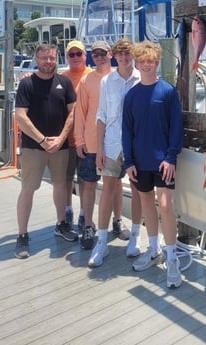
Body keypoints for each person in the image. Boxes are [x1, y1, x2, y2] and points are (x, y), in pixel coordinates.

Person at [122, 40, 184, 288]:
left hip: (163, 162)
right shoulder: (131, 95)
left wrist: (171, 157)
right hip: (139, 161)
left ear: (157, 63)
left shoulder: (168, 92)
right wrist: (129, 161)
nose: (147, 64)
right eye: (143, 61)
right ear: (137, 63)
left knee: (166, 206)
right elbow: (127, 131)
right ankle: (154, 249)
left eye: (151, 61)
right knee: (147, 204)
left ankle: (172, 259)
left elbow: (176, 128)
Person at [14, 43, 78, 259]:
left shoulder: (65, 83)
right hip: (34, 147)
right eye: (43, 57)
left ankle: (61, 224)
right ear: (36, 58)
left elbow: (72, 113)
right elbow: (21, 116)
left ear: (56, 58)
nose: (48, 61)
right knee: (28, 189)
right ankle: (22, 235)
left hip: (60, 146)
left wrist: (60, 139)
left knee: (61, 185)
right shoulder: (27, 84)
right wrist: (42, 140)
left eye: (51, 57)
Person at [88, 38, 142, 267]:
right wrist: (99, 148)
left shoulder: (142, 78)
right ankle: (101, 242)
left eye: (127, 53)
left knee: (139, 190)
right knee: (108, 190)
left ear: (133, 55)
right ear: (114, 56)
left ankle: (136, 238)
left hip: (137, 144)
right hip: (111, 143)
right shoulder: (107, 81)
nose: (124, 57)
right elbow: (100, 116)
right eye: (120, 54)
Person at [74, 41, 113, 250]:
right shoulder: (86, 80)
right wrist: (79, 140)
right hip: (90, 142)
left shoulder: (118, 77)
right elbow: (79, 112)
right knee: (89, 184)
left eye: (102, 53)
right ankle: (88, 225)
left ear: (110, 54)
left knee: (112, 185)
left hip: (113, 143)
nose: (99, 56)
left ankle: (116, 221)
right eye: (95, 53)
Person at [62, 40, 93, 231]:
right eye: (71, 54)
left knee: (85, 180)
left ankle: (84, 213)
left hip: (88, 140)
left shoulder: (92, 76)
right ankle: (67, 211)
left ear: (85, 55)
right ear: (67, 57)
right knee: (65, 179)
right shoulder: (62, 77)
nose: (75, 57)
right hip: (66, 139)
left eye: (78, 54)